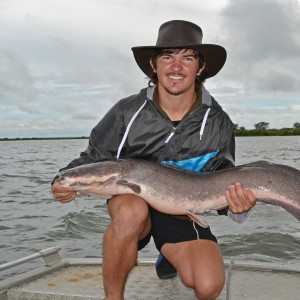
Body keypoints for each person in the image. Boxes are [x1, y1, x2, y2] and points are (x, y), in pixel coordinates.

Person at [52, 20, 256, 300]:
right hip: (134, 205)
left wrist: (237, 207)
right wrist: (64, 179)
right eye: (167, 57)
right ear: (154, 65)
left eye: (187, 58)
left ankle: (168, 255)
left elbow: (221, 177)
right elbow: (94, 157)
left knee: (208, 287)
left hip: (183, 209)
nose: (176, 67)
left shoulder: (217, 123)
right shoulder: (127, 112)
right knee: (129, 211)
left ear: (201, 68)